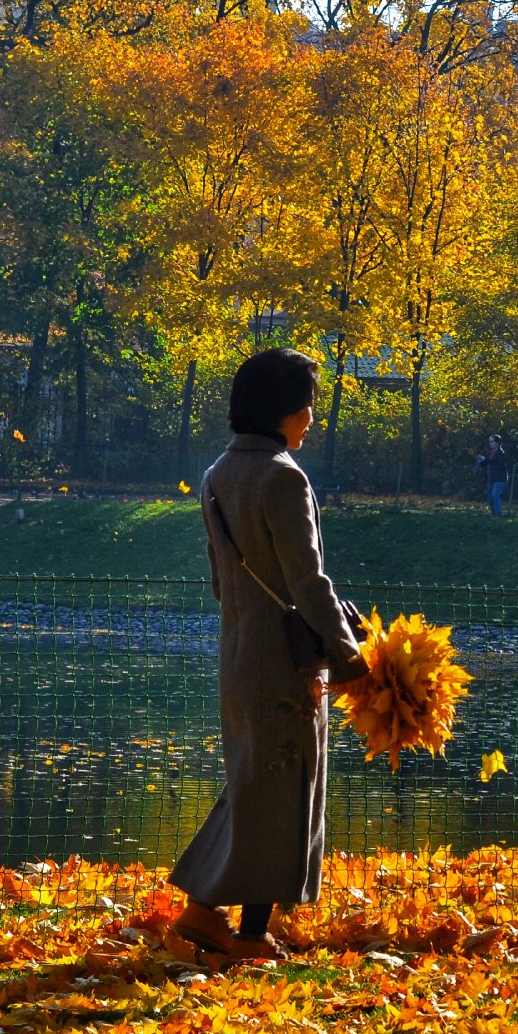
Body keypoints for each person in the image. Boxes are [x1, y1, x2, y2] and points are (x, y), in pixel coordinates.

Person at [169, 348, 366, 962]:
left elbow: (224, 582)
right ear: (282, 409)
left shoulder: (217, 475)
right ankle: (249, 937)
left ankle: (205, 911)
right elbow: (308, 583)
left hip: (239, 651)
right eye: (307, 405)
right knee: (283, 788)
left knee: (253, 783)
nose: (311, 418)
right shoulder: (285, 478)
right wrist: (350, 656)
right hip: (286, 661)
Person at [475, 434, 507, 516]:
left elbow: (495, 462)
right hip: (490, 479)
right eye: (490, 442)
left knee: (495, 495)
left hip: (499, 479)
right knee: (490, 499)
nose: (490, 443)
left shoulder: (501, 454)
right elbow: (487, 463)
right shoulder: (490, 453)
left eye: (492, 442)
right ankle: (494, 514)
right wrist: (480, 461)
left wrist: (485, 459)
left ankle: (498, 514)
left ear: (497, 443)